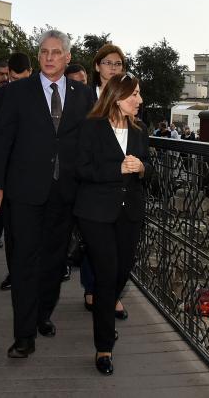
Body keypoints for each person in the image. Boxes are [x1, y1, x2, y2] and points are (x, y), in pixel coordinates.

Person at [0, 29, 94, 358]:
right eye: (44, 52)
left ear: (68, 57)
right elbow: (2, 140)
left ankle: (42, 314)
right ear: (38, 57)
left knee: (53, 262)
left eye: (56, 52)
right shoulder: (17, 92)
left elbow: (91, 143)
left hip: (66, 193)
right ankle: (23, 336)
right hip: (24, 191)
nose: (49, 57)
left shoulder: (84, 95)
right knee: (24, 262)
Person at [74, 72, 151, 375]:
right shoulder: (91, 127)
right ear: (117, 97)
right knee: (106, 275)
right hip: (95, 212)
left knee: (122, 271)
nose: (139, 100)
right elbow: (81, 169)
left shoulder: (140, 130)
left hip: (129, 212)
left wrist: (142, 167)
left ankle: (104, 309)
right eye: (134, 94)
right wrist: (116, 169)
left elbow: (151, 169)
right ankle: (104, 346)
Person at [83, 43, 130, 318]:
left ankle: (110, 295)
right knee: (93, 242)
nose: (113, 68)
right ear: (97, 65)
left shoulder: (129, 95)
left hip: (118, 184)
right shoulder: (84, 96)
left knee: (116, 247)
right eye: (108, 63)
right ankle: (93, 289)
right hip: (90, 179)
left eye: (118, 64)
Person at [0, 52, 33, 292]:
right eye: (13, 79)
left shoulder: (44, 97)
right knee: (13, 230)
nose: (18, 84)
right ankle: (14, 273)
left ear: (31, 73)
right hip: (8, 177)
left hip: (37, 175)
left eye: (23, 79)